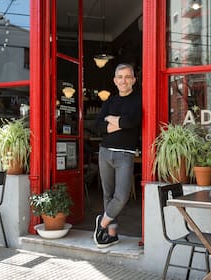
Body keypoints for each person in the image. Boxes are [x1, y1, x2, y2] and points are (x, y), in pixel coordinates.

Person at [93, 63, 142, 248]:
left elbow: (132, 121)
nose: (123, 80)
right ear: (115, 80)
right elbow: (97, 124)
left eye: (127, 77)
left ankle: (102, 223)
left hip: (125, 154)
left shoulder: (137, 100)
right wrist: (116, 123)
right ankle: (111, 234)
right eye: (120, 77)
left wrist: (112, 119)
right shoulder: (110, 101)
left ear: (133, 80)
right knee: (108, 195)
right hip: (105, 152)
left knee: (121, 196)